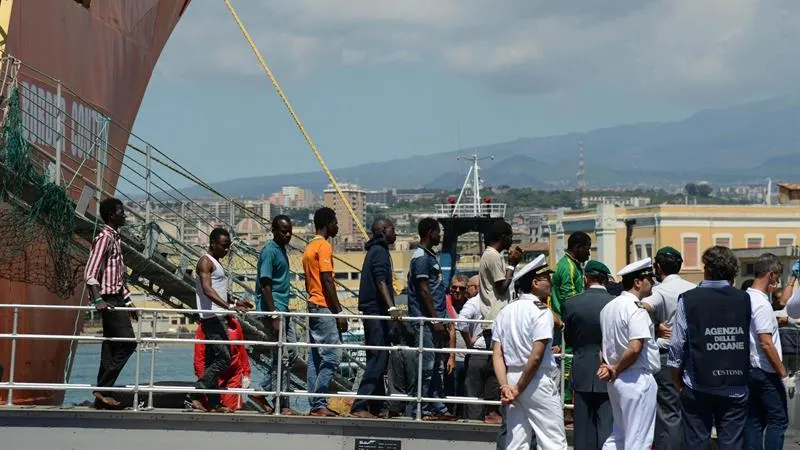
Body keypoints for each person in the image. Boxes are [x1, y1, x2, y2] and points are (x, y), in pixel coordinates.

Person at [667, 246, 751, 450]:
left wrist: (678, 381)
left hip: (697, 384)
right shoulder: (744, 299)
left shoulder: (689, 299)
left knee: (695, 442)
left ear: (706, 269)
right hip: (735, 384)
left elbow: (677, 345)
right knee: (731, 444)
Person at [492, 254, 568, 450]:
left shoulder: (505, 312)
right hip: (535, 380)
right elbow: (536, 357)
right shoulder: (541, 312)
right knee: (553, 441)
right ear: (535, 283)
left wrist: (506, 387)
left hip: (511, 377)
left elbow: (498, 355)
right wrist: (517, 388)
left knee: (516, 441)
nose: (550, 283)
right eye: (547, 279)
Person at [597, 258, 660, 450]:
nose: (653, 283)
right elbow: (635, 347)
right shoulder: (636, 309)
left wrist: (610, 367)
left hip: (617, 379)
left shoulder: (609, 307)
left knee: (619, 436)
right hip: (635, 377)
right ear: (638, 282)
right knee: (638, 440)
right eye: (649, 278)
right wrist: (615, 368)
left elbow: (604, 347)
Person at [191, 228, 253, 412]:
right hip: (213, 319)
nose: (226, 250)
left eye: (228, 247)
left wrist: (234, 301)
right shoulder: (205, 262)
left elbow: (218, 290)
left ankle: (214, 402)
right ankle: (196, 393)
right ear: (213, 244)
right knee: (224, 359)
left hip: (219, 316)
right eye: (224, 246)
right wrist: (230, 308)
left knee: (212, 362)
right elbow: (208, 290)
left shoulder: (215, 262)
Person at [640, 247, 696, 450]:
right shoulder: (694, 288)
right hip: (692, 355)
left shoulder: (659, 291)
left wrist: (654, 327)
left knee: (669, 412)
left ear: (658, 267)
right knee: (690, 409)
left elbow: (640, 306)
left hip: (666, 355)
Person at [84, 198, 137, 410]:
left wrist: (129, 303)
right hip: (107, 300)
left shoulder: (115, 238)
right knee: (129, 343)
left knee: (111, 347)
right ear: (111, 215)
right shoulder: (104, 238)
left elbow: (116, 278)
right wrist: (97, 299)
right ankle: (103, 387)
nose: (124, 215)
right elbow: (90, 271)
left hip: (116, 298)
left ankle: (102, 398)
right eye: (120, 212)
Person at [250, 215, 299, 415]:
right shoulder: (270, 251)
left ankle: (272, 395)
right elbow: (265, 284)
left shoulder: (281, 250)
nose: (287, 235)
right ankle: (277, 401)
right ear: (273, 230)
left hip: (283, 309)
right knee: (282, 357)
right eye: (283, 231)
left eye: (289, 231)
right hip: (275, 310)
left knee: (291, 354)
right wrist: (274, 315)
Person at [562, 260, 614, 450]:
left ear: (585, 279)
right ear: (605, 280)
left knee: (582, 428)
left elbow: (569, 339)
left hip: (582, 366)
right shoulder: (615, 302)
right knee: (607, 426)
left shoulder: (572, 304)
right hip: (609, 369)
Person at [350, 218, 399, 419]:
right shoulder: (379, 252)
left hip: (373, 310)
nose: (395, 233)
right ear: (383, 231)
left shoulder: (374, 250)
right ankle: (360, 405)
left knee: (377, 356)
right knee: (379, 357)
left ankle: (376, 406)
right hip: (376, 311)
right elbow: (381, 282)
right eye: (393, 229)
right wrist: (392, 308)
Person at [406, 217, 455, 420]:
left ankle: (437, 406)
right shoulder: (421, 258)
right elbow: (424, 291)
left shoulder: (429, 256)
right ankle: (421, 408)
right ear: (429, 232)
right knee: (426, 366)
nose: (440, 235)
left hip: (434, 321)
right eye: (438, 232)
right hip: (426, 322)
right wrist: (435, 320)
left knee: (435, 365)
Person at [303, 207, 348, 417]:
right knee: (332, 354)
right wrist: (338, 312)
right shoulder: (324, 246)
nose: (337, 226)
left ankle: (316, 405)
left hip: (312, 303)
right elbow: (327, 280)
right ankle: (319, 402)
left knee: (315, 358)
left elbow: (308, 281)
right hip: (323, 305)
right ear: (328, 223)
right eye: (335, 222)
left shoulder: (308, 247)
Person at [477, 219, 522, 424]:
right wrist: (512, 264)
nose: (511, 240)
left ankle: (495, 407)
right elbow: (501, 287)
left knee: (498, 364)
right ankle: (492, 410)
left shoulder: (491, 255)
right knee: (495, 366)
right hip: (495, 319)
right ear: (502, 236)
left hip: (496, 318)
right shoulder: (493, 256)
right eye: (510, 235)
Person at [745, 253, 788, 449]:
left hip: (750, 367)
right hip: (765, 369)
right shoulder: (762, 303)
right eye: (778, 276)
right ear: (770, 275)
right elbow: (766, 342)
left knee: (755, 421)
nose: (778, 281)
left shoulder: (745, 297)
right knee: (778, 420)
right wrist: (783, 373)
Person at [551, 231, 592, 416]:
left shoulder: (571, 265)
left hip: (567, 324)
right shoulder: (568, 267)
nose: (589, 254)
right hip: (569, 326)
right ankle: (566, 410)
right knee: (567, 366)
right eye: (587, 249)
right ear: (578, 248)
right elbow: (571, 300)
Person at [458, 274, 499, 421]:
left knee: (474, 395)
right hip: (496, 354)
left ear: (477, 287)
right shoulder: (500, 301)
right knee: (493, 397)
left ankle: (473, 427)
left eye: (468, 286)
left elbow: (460, 322)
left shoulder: (474, 302)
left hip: (477, 353)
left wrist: (469, 342)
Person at [193, 315, 251, 411]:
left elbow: (241, 349)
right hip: (213, 374)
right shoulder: (205, 326)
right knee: (212, 407)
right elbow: (199, 354)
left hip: (233, 373)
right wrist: (202, 377)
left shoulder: (234, 324)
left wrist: (246, 373)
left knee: (231, 408)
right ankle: (197, 396)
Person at [443, 274, 469, 418]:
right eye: (454, 287)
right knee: (450, 390)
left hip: (467, 357)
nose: (457, 290)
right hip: (449, 358)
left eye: (461, 288)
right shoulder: (443, 303)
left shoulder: (470, 304)